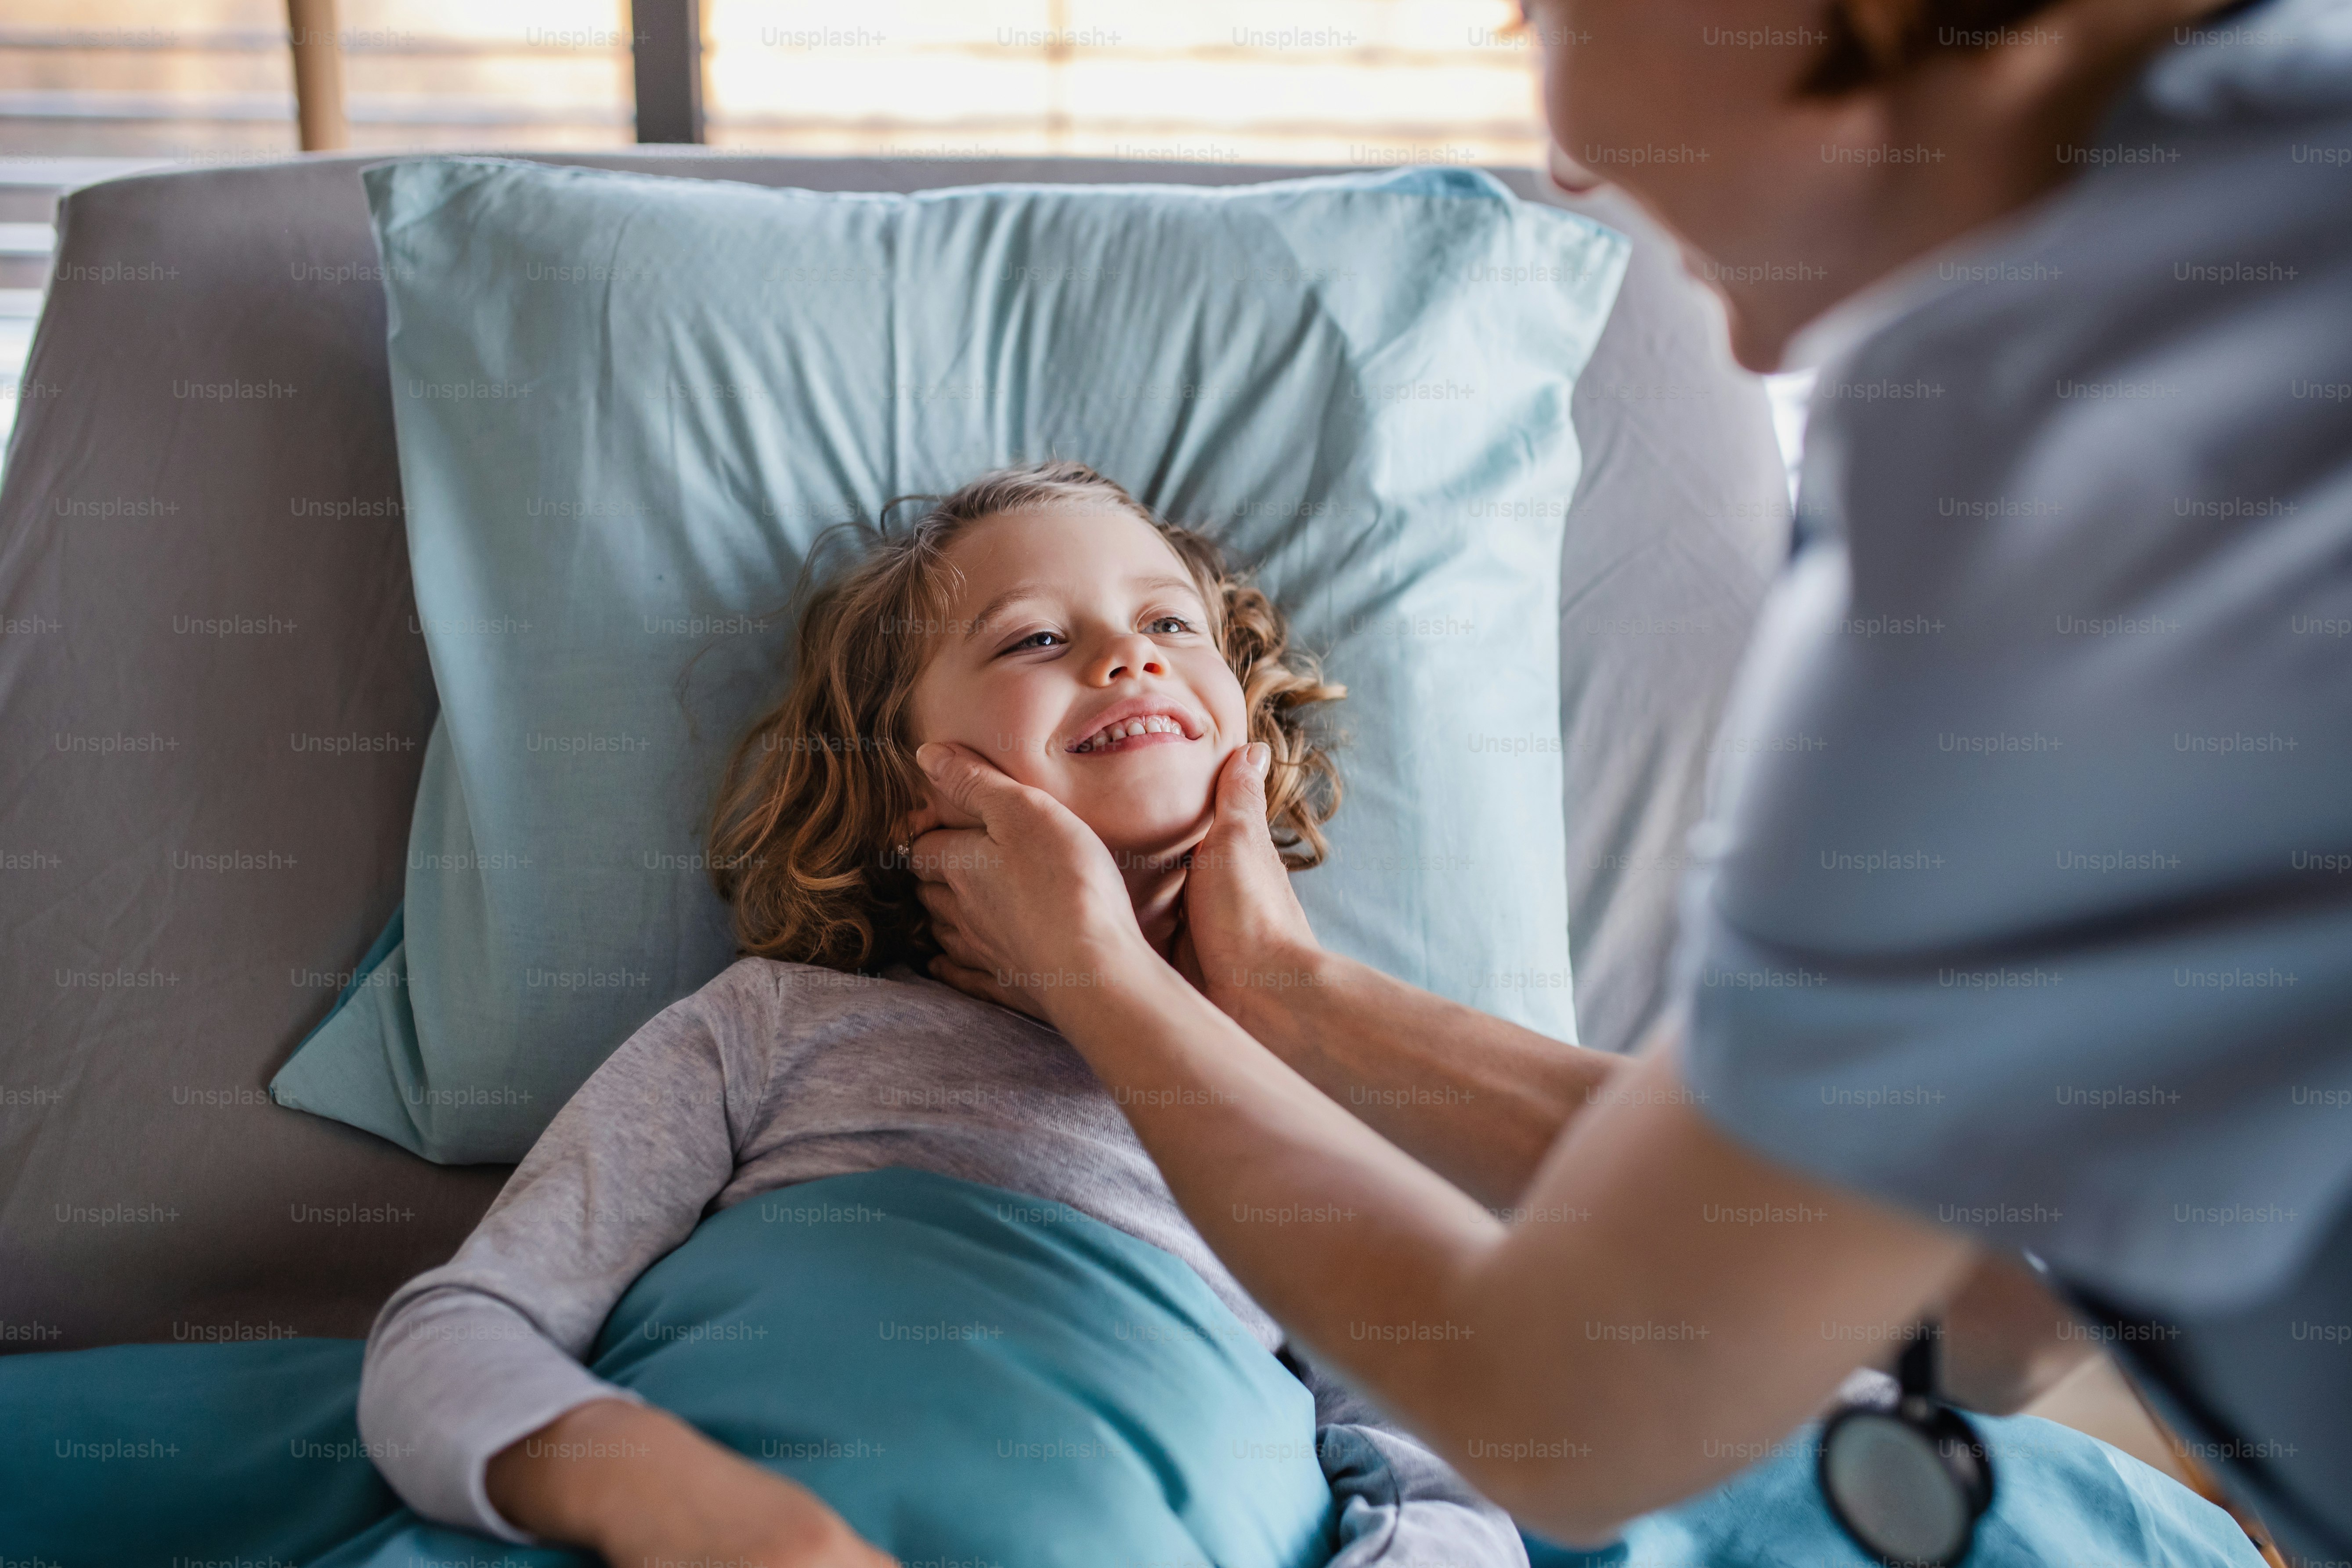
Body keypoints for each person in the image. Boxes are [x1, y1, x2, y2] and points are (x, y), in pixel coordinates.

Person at [903, 0, 2352, 1557]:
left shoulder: (2046, 435)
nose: (1565, 154)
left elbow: (1581, 1399)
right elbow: (1972, 1291)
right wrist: (1280, 993)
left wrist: (1104, 978)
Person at [354, 463, 1528, 1568]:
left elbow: (1447, 1493)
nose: (1131, 655)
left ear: (1248, 720)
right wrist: (689, 1502)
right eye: (1034, 638)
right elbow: (453, 1339)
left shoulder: (1308, 1117)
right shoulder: (770, 1025)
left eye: (1173, 624)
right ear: (905, 779)